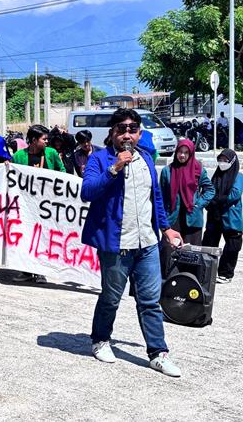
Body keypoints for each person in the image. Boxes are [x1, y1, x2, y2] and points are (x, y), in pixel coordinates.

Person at [81, 108, 183, 378]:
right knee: (110, 298)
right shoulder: (100, 159)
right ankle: (100, 340)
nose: (127, 134)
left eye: (132, 129)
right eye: (122, 129)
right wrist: (114, 169)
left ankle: (158, 354)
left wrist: (166, 229)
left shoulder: (146, 158)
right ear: (112, 133)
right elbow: (87, 192)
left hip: (147, 244)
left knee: (150, 301)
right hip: (117, 246)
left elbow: (155, 198)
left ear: (139, 133)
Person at [12, 124, 65, 283]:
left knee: (43, 237)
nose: (47, 142)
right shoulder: (19, 156)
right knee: (26, 237)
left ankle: (41, 271)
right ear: (34, 140)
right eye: (44, 139)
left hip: (46, 205)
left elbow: (62, 171)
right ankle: (26, 271)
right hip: (26, 205)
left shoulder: (51, 153)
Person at [160, 139, 214, 247]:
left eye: (186, 152)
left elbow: (210, 190)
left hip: (192, 219)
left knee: (190, 254)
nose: (182, 155)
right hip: (172, 218)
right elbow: (161, 196)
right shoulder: (167, 171)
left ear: (191, 154)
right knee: (168, 253)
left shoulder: (198, 170)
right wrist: (163, 218)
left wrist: (198, 204)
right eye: (180, 152)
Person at [202, 149, 243, 283]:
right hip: (215, 215)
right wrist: (210, 201)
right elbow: (209, 191)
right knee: (209, 243)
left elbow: (234, 194)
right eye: (220, 159)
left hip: (230, 216)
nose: (222, 163)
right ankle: (206, 271)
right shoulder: (216, 176)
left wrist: (217, 199)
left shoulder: (238, 177)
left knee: (233, 245)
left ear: (232, 161)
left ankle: (225, 273)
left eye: (226, 160)